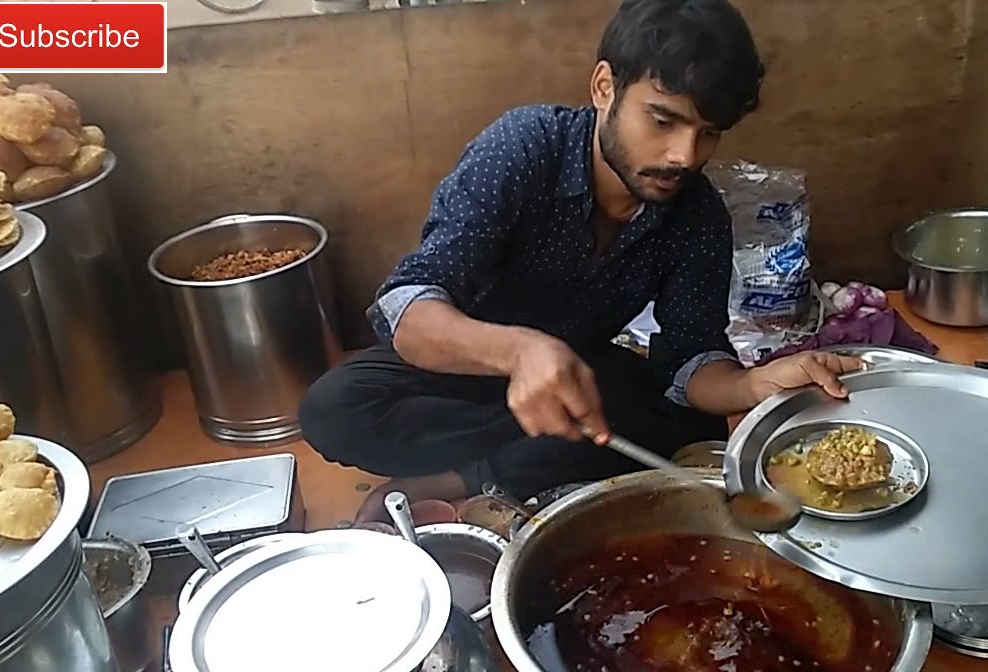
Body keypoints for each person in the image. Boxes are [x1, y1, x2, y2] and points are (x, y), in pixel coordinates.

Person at [299, 0, 862, 522]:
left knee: (686, 422)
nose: (683, 157)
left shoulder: (696, 214)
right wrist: (521, 352)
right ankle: (520, 461)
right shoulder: (523, 149)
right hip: (462, 363)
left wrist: (755, 384)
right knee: (334, 409)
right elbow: (411, 313)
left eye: (707, 133)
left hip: (581, 378)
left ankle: (461, 475)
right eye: (662, 121)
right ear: (603, 87)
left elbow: (694, 359)